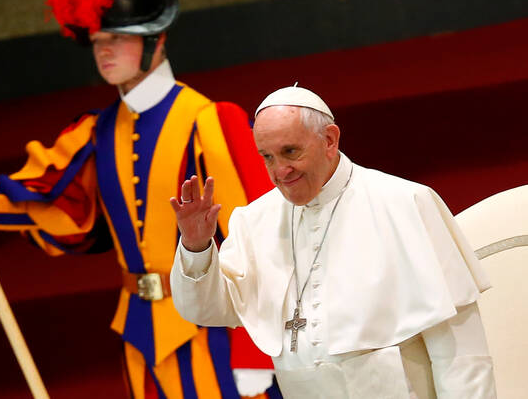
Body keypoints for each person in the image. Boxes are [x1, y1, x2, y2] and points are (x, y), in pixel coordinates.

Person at [0, 0, 282, 399]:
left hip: (211, 329)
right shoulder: (97, 132)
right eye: (97, 40)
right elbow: (60, 206)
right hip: (138, 331)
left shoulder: (209, 120)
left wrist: (256, 349)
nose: (105, 50)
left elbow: (258, 238)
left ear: (157, 37)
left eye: (119, 36)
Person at [169, 85, 497, 398]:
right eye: (267, 157)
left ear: (329, 139)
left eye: (290, 152)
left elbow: (460, 353)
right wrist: (196, 248)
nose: (280, 171)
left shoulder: (405, 203)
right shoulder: (254, 221)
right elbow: (210, 310)